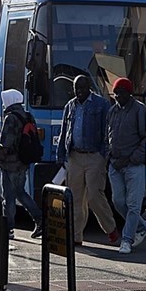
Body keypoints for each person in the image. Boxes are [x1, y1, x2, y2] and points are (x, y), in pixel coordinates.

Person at [56, 75, 120, 247]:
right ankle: (76, 236)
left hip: (94, 156)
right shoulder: (70, 105)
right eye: (76, 89)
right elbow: (64, 131)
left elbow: (108, 131)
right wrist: (61, 154)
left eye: (82, 88)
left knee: (94, 196)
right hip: (74, 156)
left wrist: (103, 154)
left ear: (89, 87)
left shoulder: (101, 104)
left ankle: (110, 228)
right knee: (75, 199)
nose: (79, 92)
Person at [107, 77, 146, 255]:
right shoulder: (112, 111)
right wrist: (109, 156)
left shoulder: (140, 110)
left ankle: (127, 240)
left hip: (134, 165)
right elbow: (107, 135)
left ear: (129, 93)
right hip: (115, 165)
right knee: (118, 201)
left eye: (120, 93)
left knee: (133, 205)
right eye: (115, 93)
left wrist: (133, 158)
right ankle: (142, 226)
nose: (117, 96)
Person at [0, 89, 43, 240]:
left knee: (8, 197)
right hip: (23, 162)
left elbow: (5, 144)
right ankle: (40, 219)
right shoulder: (27, 115)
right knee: (20, 193)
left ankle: (9, 228)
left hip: (10, 164)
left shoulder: (10, 118)